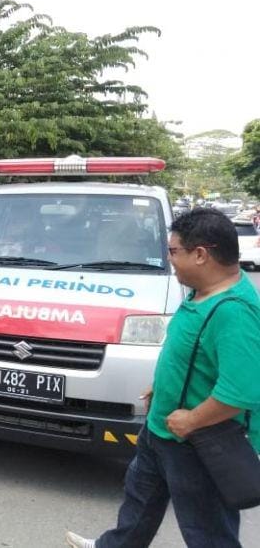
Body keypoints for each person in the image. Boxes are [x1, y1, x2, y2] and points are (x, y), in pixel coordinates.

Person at [67, 207, 260, 548]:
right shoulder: (201, 293)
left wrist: (192, 420)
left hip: (197, 442)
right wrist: (164, 387)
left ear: (201, 255)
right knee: (140, 505)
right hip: (161, 430)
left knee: (208, 531)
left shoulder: (234, 312)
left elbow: (241, 392)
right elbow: (192, 355)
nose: (169, 259)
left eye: (174, 251)